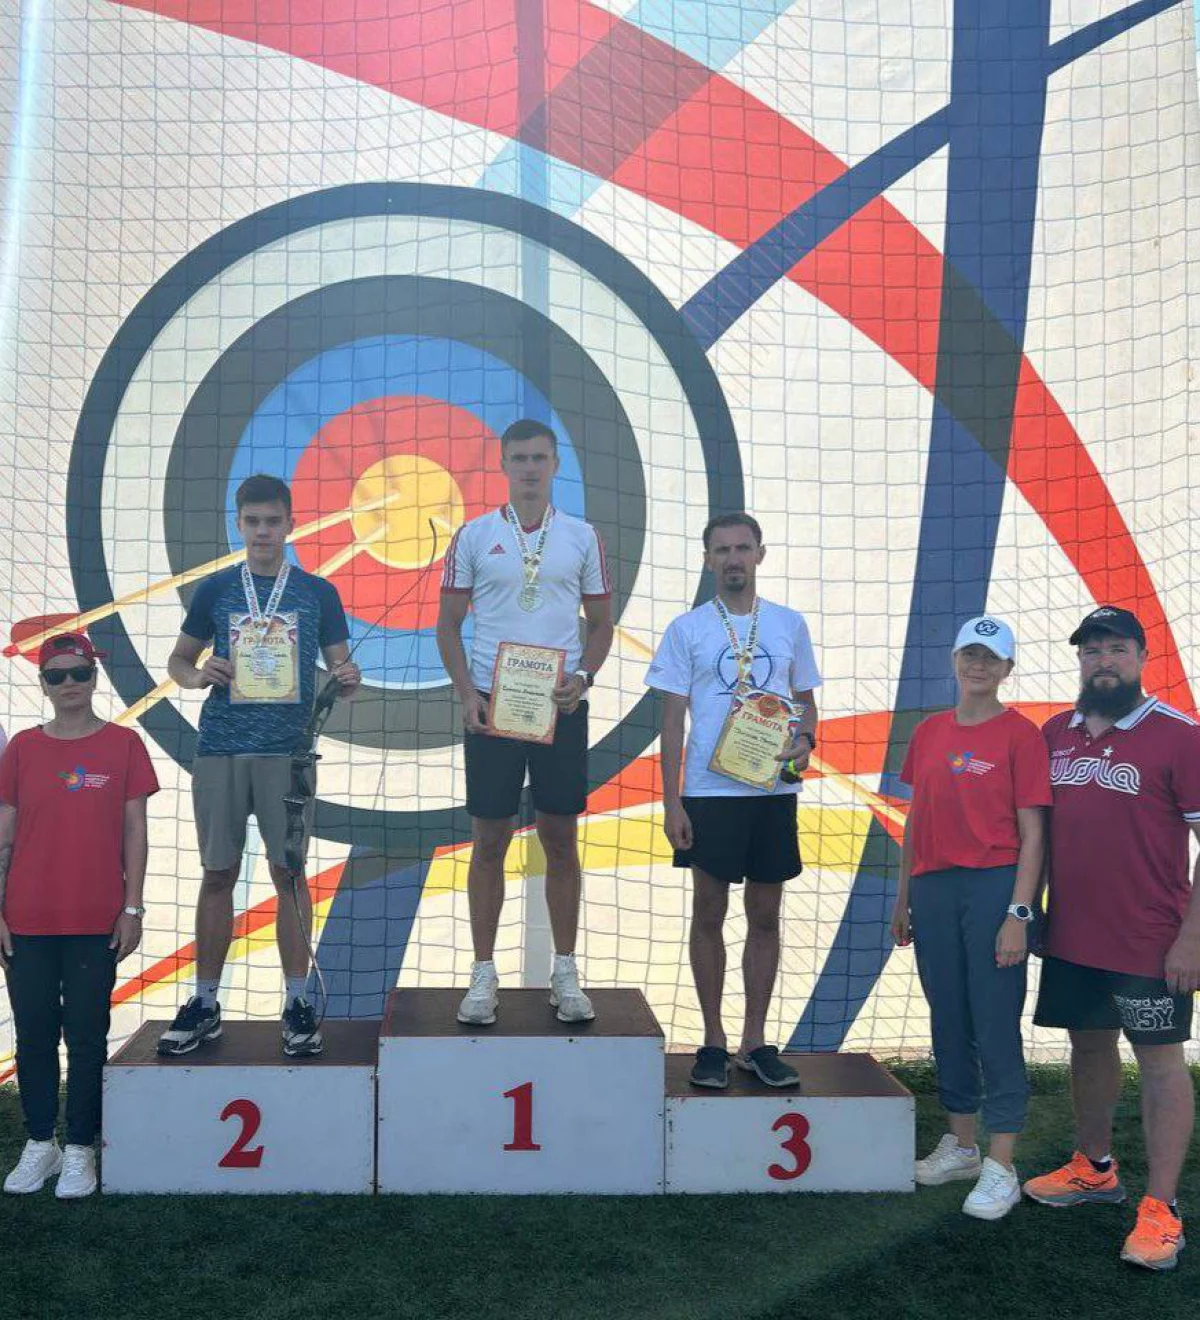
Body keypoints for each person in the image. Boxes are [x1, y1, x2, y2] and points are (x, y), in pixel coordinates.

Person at [157, 474, 360, 1058]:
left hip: (288, 753)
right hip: (220, 748)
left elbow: (343, 670)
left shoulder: (318, 592)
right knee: (217, 874)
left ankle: (297, 1002)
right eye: (253, 521)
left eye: (273, 521)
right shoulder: (216, 588)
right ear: (239, 524)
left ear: (291, 524)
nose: (263, 531)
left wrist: (347, 678)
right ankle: (205, 1002)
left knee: (288, 875)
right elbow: (178, 661)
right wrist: (198, 675)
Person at [1023, 606, 1200, 1271]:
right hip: (1072, 935)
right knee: (1089, 1046)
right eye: (1092, 650)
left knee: (1160, 1062)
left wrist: (1192, 940)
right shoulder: (1054, 733)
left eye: (1117, 648)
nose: (1103, 660)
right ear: (1079, 659)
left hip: (1151, 941)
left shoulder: (1179, 736)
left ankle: (1162, 1207)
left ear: (1142, 657)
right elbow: (1036, 833)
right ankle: (1094, 1167)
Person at [436, 418, 613, 1025]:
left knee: (560, 838)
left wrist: (583, 677)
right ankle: (483, 973)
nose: (530, 468)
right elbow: (447, 624)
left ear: (555, 464)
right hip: (494, 703)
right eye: (520, 458)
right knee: (489, 840)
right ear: (503, 464)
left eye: (540, 458)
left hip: (560, 704)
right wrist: (466, 692)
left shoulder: (582, 537)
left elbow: (601, 624)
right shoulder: (474, 535)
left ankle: (565, 970)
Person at [646, 513, 820, 1089]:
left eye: (742, 548)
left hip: (772, 791)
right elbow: (672, 722)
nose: (733, 559)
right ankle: (714, 1041)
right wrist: (672, 802)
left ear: (760, 554)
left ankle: (755, 1041)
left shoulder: (789, 624)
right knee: (708, 913)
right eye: (721, 550)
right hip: (709, 792)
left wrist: (805, 742)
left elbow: (805, 703)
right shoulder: (686, 629)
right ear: (707, 560)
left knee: (765, 915)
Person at [891, 616, 1051, 1219]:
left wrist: (1019, 913)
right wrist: (903, 897)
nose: (979, 665)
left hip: (993, 888)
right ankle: (961, 1145)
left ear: (1008, 668)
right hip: (933, 890)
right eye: (970, 654)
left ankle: (1001, 1163)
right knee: (949, 1018)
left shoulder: (1021, 735)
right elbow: (915, 819)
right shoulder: (929, 732)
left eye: (991, 657)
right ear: (955, 660)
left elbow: (1034, 834)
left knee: (994, 1021)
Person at [0, 633, 158, 1198]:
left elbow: (136, 831)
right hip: (26, 919)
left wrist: (132, 907)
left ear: (94, 677)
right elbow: (4, 835)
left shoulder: (124, 744)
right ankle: (40, 1142)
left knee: (88, 1036)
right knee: (34, 1035)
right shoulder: (22, 747)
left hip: (97, 919)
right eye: (56, 675)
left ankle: (80, 1148)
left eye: (79, 673)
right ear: (43, 683)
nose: (69, 683)